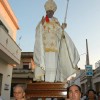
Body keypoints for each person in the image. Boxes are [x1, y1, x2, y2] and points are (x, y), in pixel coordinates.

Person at [33, 0, 80, 82]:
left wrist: (62, 28)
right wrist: (41, 25)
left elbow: (59, 33)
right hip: (45, 49)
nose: (50, 13)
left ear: (53, 12)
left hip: (55, 48)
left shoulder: (56, 22)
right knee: (46, 67)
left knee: (54, 67)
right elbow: (38, 32)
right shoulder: (42, 21)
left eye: (51, 11)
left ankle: (53, 83)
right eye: (48, 11)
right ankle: (47, 84)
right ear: (46, 12)